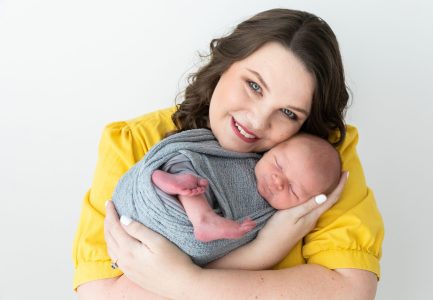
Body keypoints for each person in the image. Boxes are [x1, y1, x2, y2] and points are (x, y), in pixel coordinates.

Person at [73, 8, 384, 299]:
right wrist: (258, 254)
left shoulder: (320, 160)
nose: (259, 120)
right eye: (254, 86)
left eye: (289, 113)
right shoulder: (136, 140)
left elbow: (351, 290)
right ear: (223, 63)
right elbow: (101, 291)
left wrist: (185, 282)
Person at [112, 129, 341, 266]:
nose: (278, 180)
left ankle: (180, 193)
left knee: (195, 185)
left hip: (177, 226)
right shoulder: (243, 157)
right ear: (270, 150)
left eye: (293, 190)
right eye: (278, 164)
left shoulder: (271, 218)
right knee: (189, 166)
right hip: (153, 193)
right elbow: (202, 152)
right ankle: (167, 182)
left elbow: (230, 247)